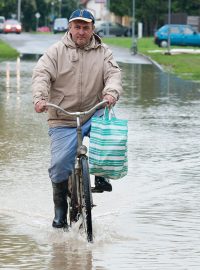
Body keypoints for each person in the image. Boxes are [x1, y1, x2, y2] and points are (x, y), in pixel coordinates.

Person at [32, 9, 123, 229]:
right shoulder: (55, 52)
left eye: (86, 27)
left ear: (93, 29)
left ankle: (101, 174)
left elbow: (113, 75)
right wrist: (40, 98)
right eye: (77, 27)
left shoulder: (103, 52)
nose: (81, 32)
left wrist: (111, 92)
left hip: (94, 111)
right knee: (59, 165)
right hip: (63, 117)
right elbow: (41, 75)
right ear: (70, 28)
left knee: (109, 133)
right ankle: (60, 209)